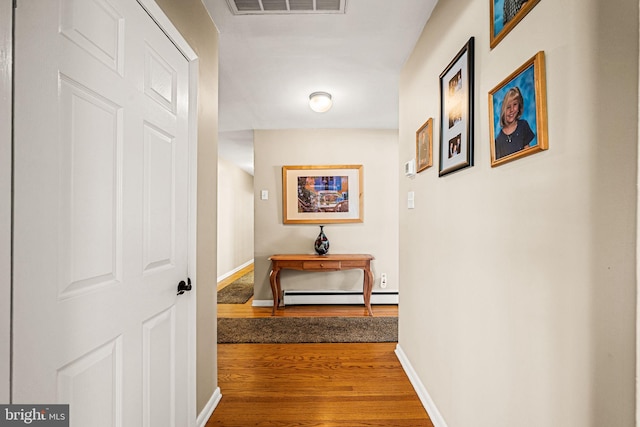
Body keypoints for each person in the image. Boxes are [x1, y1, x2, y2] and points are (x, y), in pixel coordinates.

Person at [494, 86, 534, 159]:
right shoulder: (498, 140)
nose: (512, 110)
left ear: (519, 107)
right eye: (508, 107)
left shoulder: (523, 126)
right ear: (504, 110)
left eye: (515, 104)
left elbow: (529, 153)